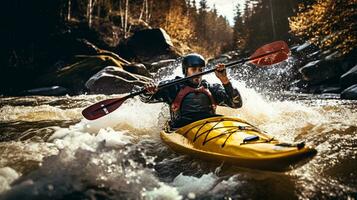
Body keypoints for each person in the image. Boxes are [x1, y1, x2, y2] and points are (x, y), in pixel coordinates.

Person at [140, 53, 243, 129]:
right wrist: (148, 91)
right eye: (193, 69)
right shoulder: (172, 87)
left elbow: (236, 104)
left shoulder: (211, 88)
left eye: (201, 70)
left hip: (209, 127)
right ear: (185, 70)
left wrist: (224, 80)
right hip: (181, 129)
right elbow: (145, 99)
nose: (198, 73)